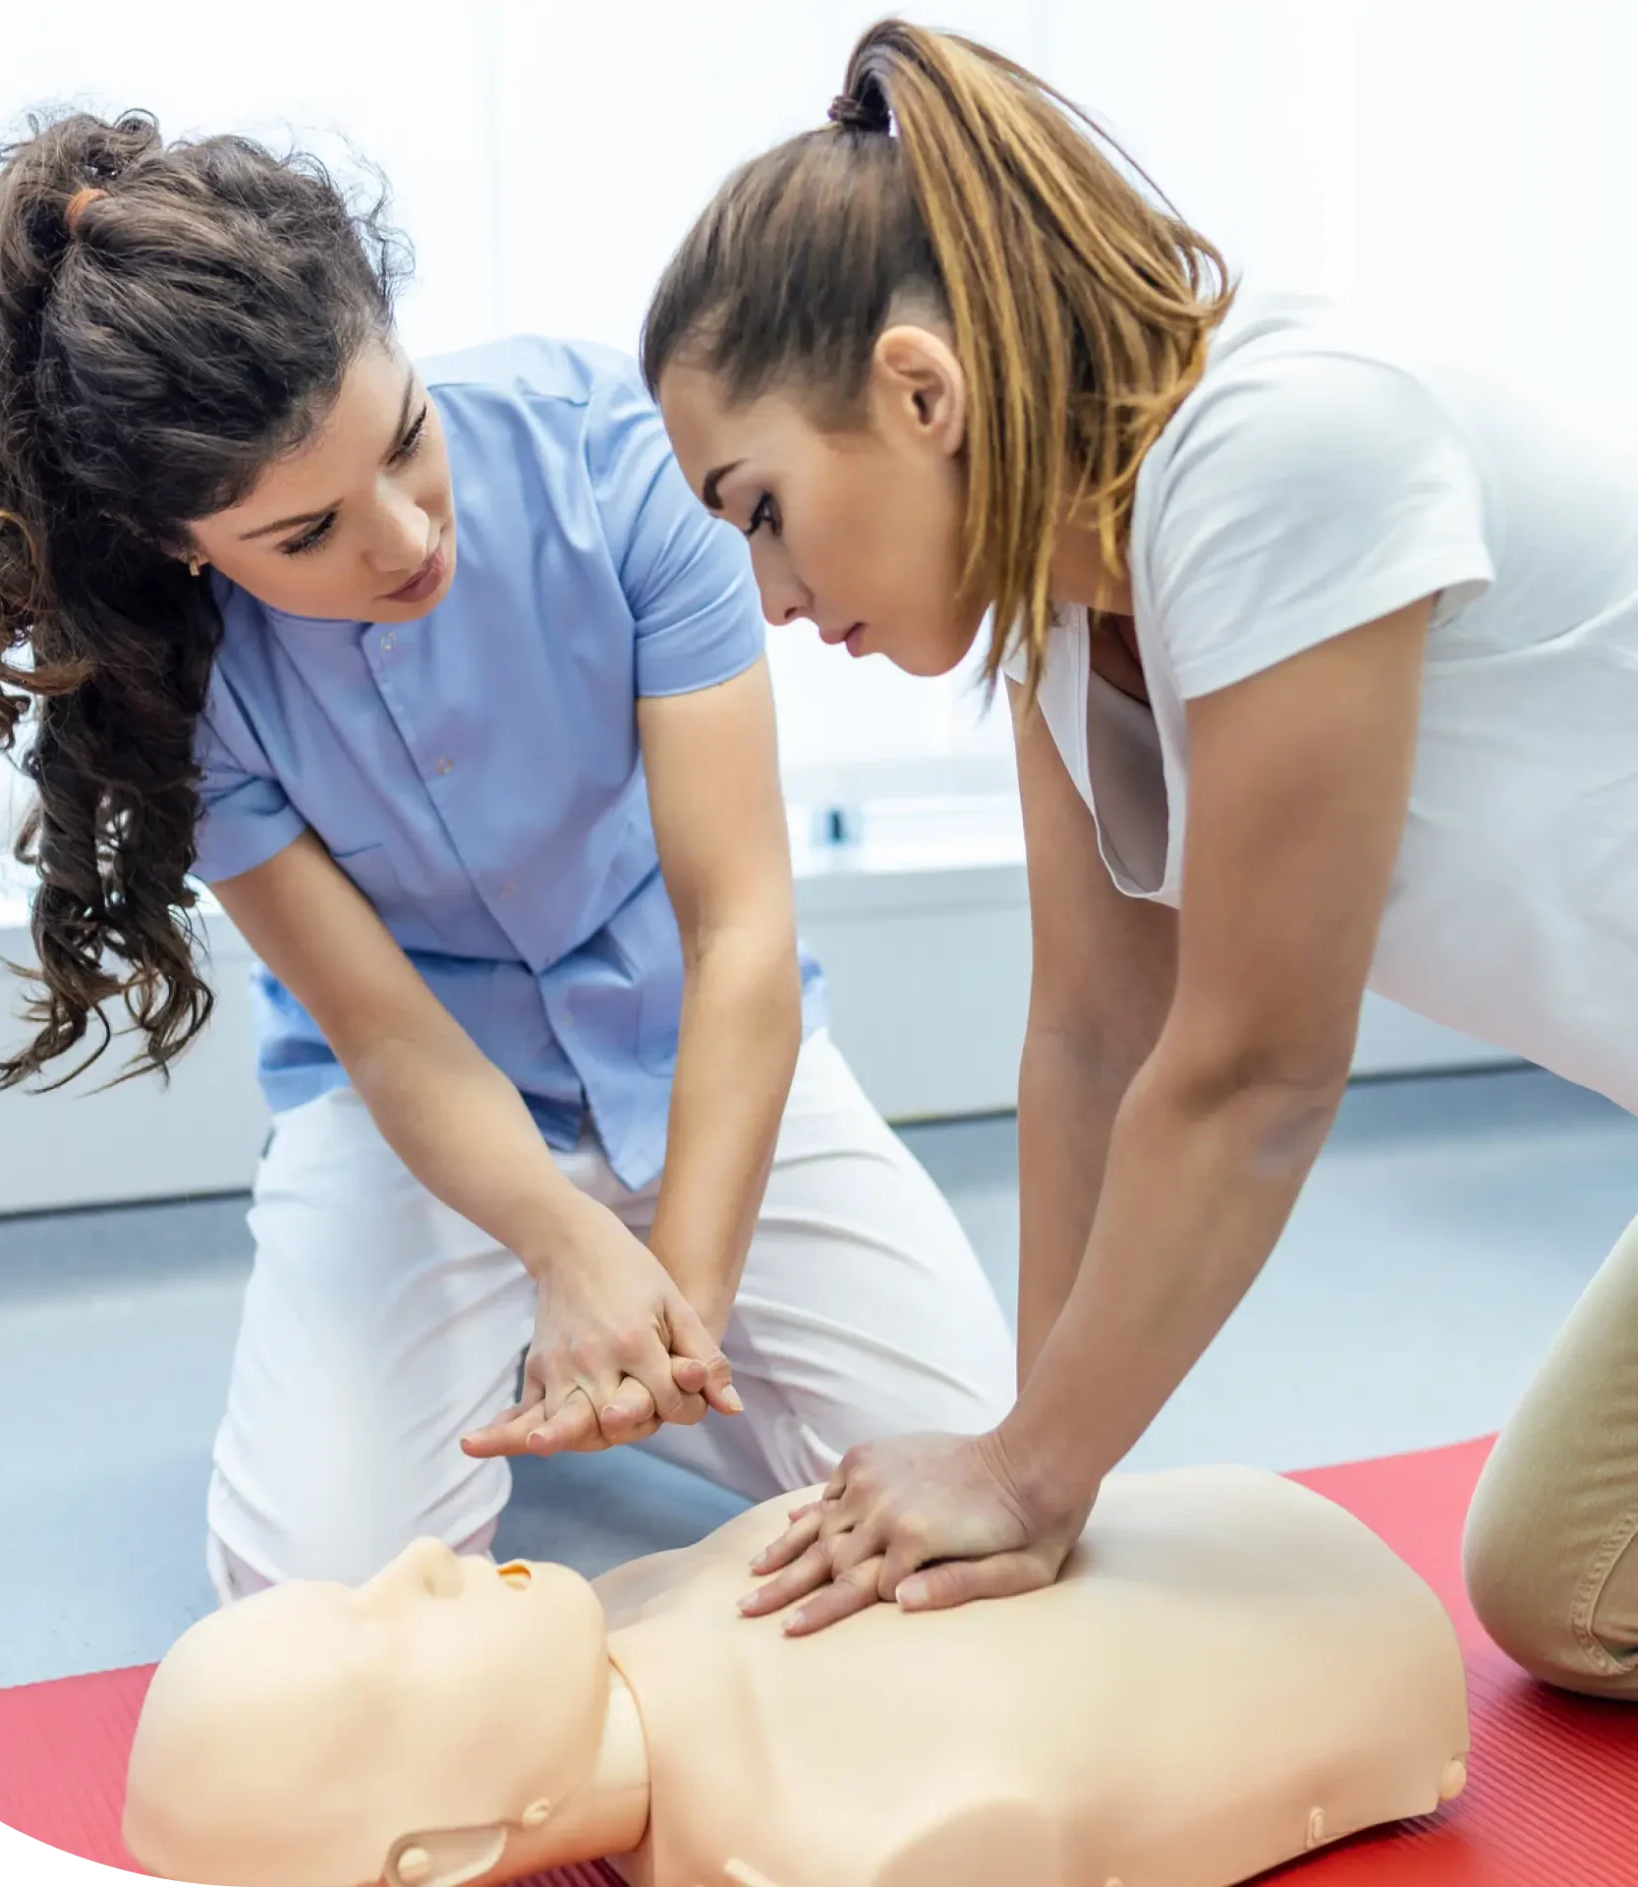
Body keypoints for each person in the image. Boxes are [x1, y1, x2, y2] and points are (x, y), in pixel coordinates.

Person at [0, 109, 1014, 1600]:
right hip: (418, 1107)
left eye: (408, 437)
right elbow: (390, 1037)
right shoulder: (170, 678)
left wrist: (678, 1300)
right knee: (313, 1606)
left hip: (705, 1046)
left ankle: (632, 1377)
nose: (408, 533)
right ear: (184, 546)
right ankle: (563, 1337)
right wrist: (556, 1236)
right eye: (308, 533)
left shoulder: (616, 456)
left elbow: (739, 925)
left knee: (975, 1475)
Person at [641, 17, 1638, 1692]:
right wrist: (1033, 1492)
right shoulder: (1055, 607)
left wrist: (1027, 1467)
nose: (772, 598)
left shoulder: (1282, 451)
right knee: (1568, 1584)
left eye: (758, 508)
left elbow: (1254, 1066)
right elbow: (1096, 1036)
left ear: (919, 389)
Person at [121, 1465, 1469, 1887]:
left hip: (1297, 1579)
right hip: (1337, 1624)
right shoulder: (826, 1839)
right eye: (382, 1638)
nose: (417, 1558)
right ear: (449, 1849)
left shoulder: (643, 1608)